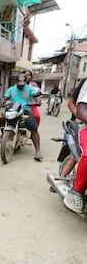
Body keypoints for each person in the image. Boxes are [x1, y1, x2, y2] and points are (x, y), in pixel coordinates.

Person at [1, 74, 42, 161]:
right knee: (1, 119)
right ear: (16, 82)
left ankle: (38, 151)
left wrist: (37, 101)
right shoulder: (11, 89)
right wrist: (1, 102)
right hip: (13, 109)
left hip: (25, 111)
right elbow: (5, 97)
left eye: (23, 84)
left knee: (33, 127)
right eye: (19, 83)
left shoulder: (30, 88)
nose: (21, 85)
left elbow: (36, 95)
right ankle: (4, 137)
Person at [64, 79, 87, 213]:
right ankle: (76, 191)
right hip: (82, 125)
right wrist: (79, 116)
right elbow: (74, 104)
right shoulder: (85, 82)